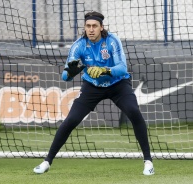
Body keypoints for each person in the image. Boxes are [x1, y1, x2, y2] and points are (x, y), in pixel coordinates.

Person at [33, 11, 154, 175]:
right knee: (71, 120)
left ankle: (148, 161)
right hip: (92, 86)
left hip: (117, 84)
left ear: (101, 27)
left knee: (133, 111)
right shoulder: (79, 45)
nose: (91, 29)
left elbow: (122, 68)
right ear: (85, 28)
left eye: (94, 26)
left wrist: (104, 70)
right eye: (88, 26)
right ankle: (47, 161)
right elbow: (65, 77)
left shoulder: (112, 41)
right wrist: (71, 72)